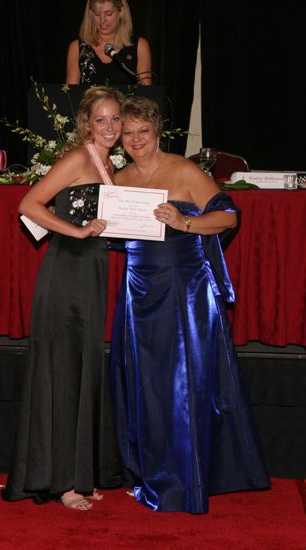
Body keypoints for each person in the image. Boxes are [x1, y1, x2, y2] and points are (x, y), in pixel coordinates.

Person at [110, 96, 270, 513]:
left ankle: (187, 475)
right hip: (137, 290)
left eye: (143, 131)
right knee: (145, 381)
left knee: (182, 382)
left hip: (184, 289)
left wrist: (185, 222)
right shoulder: (119, 177)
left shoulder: (182, 169)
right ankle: (151, 470)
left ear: (157, 131)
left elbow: (229, 215)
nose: (136, 139)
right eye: (128, 133)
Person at [1, 86, 124, 511]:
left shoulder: (109, 163)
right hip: (66, 272)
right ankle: (63, 482)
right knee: (65, 370)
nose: (110, 127)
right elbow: (28, 203)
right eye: (101, 120)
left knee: (84, 368)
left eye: (116, 119)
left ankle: (80, 472)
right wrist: (75, 230)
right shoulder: (77, 157)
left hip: (90, 273)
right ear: (86, 124)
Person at [66, 0, 152, 86]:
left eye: (108, 14)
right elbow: (71, 95)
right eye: (97, 14)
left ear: (121, 12)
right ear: (90, 14)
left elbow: (146, 94)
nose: (102, 20)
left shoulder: (140, 45)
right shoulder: (77, 48)